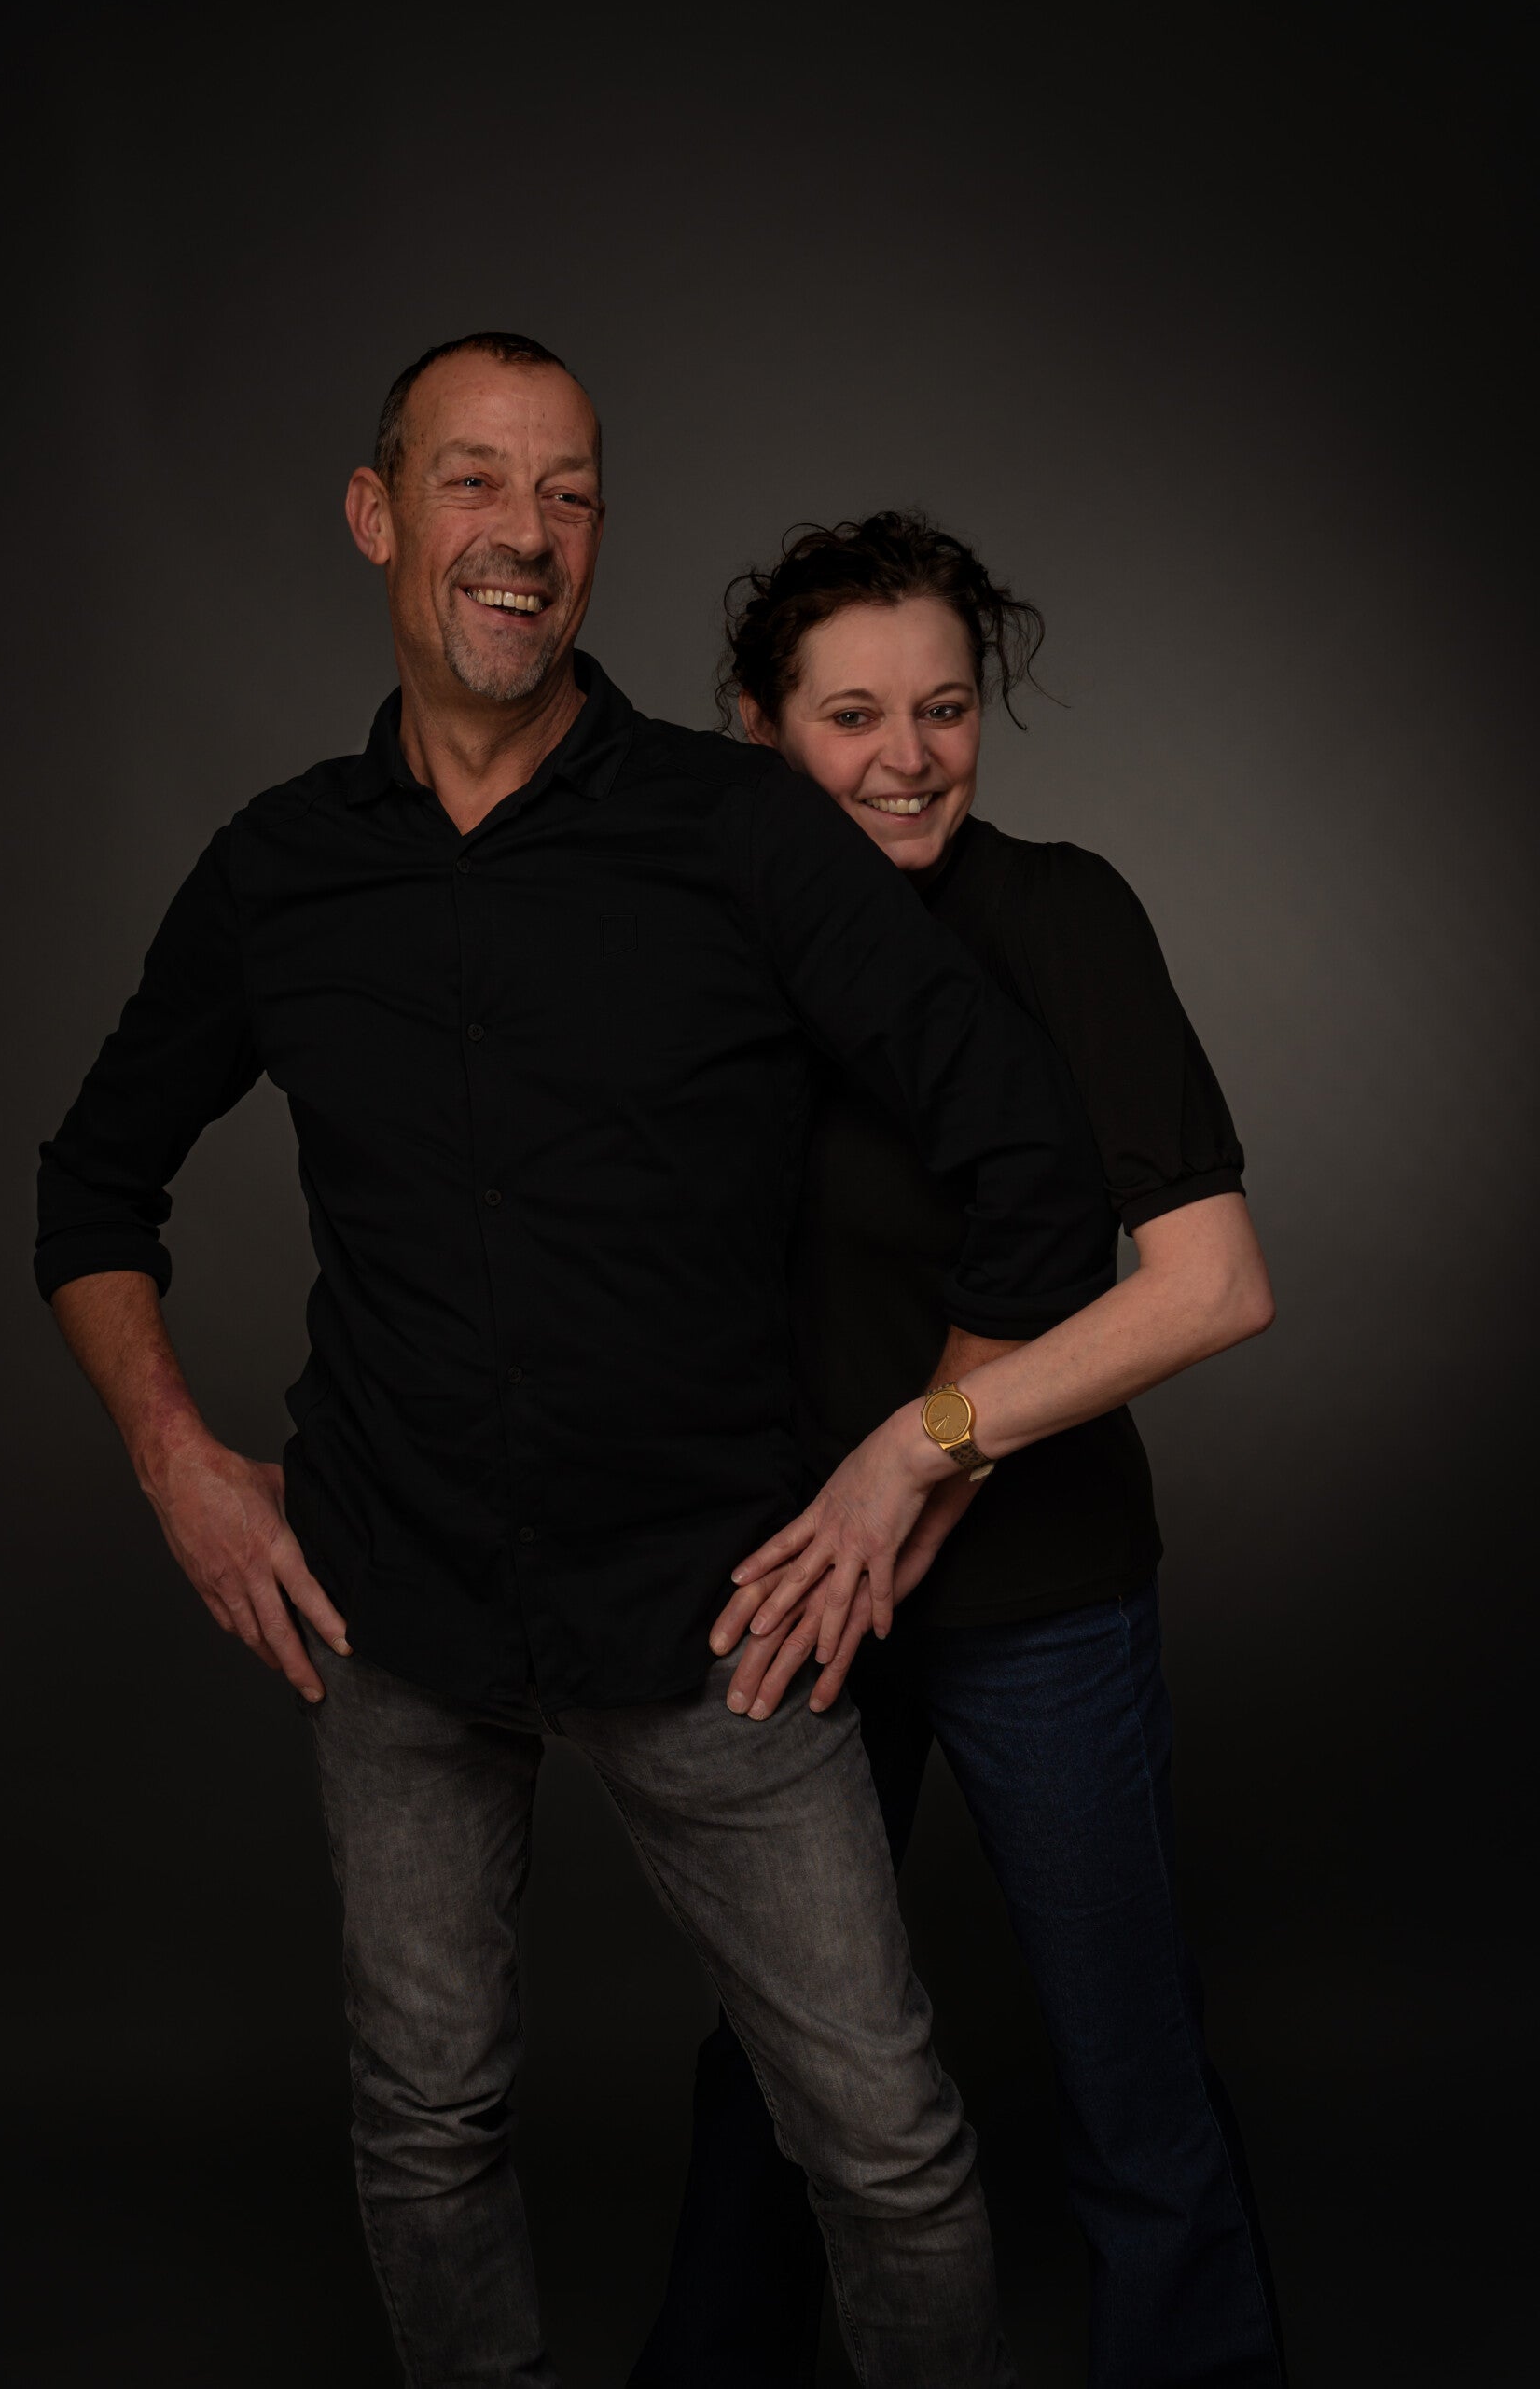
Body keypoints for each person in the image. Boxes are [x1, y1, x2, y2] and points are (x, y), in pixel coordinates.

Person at [35, 337, 1135, 2388]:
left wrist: (924, 1453)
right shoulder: (279, 867)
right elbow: (92, 1189)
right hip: (393, 1613)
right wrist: (177, 1459)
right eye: (474, 481)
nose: (522, 534)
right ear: (378, 517)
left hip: (719, 1613)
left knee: (890, 2151)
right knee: (428, 2123)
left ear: (597, 536)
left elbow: (1030, 1159)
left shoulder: (744, 831)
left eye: (566, 492)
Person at [631, 512, 1286, 2389]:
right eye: (852, 715)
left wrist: (915, 1453)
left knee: (1127, 2065)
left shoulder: (1059, 914)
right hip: (797, 1595)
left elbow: (1215, 1286)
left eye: (943, 706)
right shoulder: (705, 952)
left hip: (1039, 1595)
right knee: (777, 2065)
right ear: (758, 728)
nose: (908, 756)